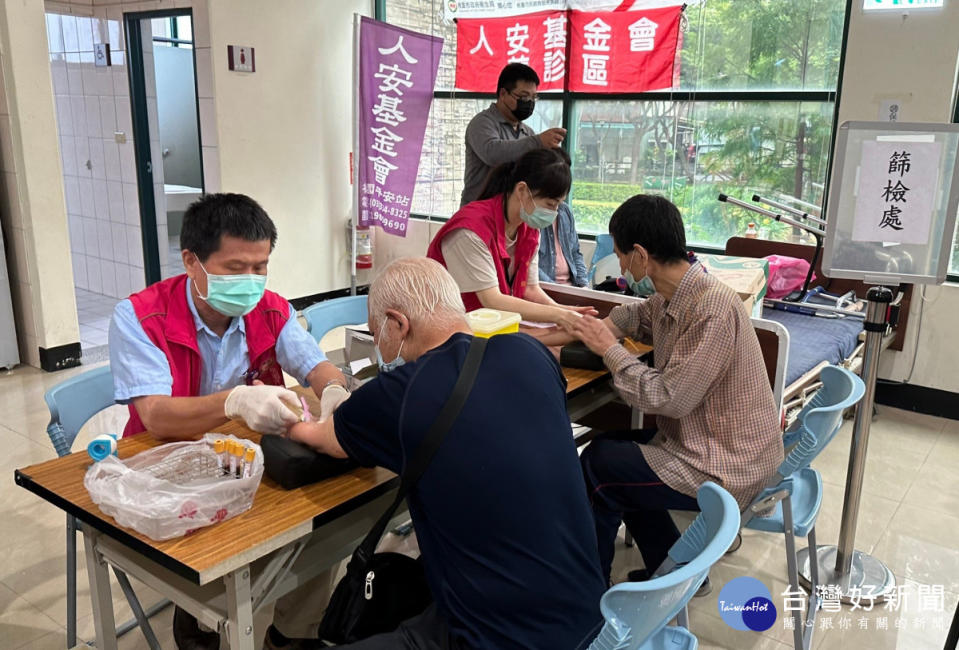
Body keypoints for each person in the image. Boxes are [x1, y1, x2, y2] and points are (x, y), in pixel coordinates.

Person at [287, 257, 606, 650]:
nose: (381, 346)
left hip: (498, 635)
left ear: (398, 323)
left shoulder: (398, 394)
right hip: (589, 613)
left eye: (376, 333)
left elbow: (324, 439)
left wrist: (280, 416)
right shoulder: (531, 354)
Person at [108, 192, 348, 650]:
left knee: (325, 519)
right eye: (236, 268)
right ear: (191, 262)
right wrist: (234, 401)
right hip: (169, 465)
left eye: (260, 267)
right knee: (229, 555)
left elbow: (315, 365)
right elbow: (156, 415)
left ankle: (293, 633)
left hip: (242, 459)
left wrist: (334, 390)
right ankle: (200, 622)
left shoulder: (270, 308)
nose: (251, 281)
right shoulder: (141, 317)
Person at [534, 194, 783, 584]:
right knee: (615, 455)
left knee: (602, 467)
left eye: (619, 254)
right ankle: (673, 571)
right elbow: (635, 315)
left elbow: (668, 399)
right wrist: (587, 329)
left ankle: (587, 591)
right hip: (709, 441)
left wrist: (607, 348)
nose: (619, 264)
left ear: (639, 255)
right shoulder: (678, 294)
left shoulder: (710, 309)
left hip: (726, 463)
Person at [427, 148, 593, 327]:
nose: (554, 213)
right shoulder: (470, 230)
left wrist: (562, 312)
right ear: (522, 190)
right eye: (550, 204)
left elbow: (530, 288)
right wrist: (559, 315)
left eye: (558, 205)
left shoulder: (528, 229)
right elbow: (492, 300)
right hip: (449, 328)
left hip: (491, 326)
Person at [461, 62, 566, 206]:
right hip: (478, 211)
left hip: (511, 214)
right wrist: (538, 142)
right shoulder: (482, 123)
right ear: (503, 94)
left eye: (533, 97)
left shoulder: (528, 132)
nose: (529, 103)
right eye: (523, 97)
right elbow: (493, 154)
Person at [539, 202, 588, 287]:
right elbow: (530, 264)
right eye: (551, 204)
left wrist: (583, 284)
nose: (556, 208)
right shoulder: (533, 216)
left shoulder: (565, 210)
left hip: (571, 286)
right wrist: (556, 289)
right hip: (546, 288)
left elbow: (575, 252)